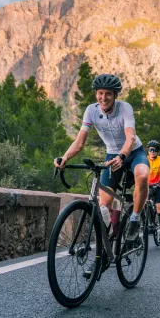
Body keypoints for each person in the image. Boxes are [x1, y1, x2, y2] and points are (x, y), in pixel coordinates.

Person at [54, 74, 150, 244]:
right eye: (100, 93)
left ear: (115, 95)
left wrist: (123, 155)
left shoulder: (125, 108)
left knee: (142, 175)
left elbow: (131, 137)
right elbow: (80, 141)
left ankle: (135, 219)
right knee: (104, 207)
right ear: (96, 94)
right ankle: (104, 250)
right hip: (112, 154)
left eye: (108, 94)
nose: (103, 98)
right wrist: (65, 157)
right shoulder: (91, 110)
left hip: (133, 152)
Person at [146, 140, 160, 243]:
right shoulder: (144, 160)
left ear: (157, 152)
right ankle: (149, 222)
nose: (152, 152)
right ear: (148, 150)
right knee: (144, 201)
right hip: (148, 186)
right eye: (150, 149)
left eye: (154, 150)